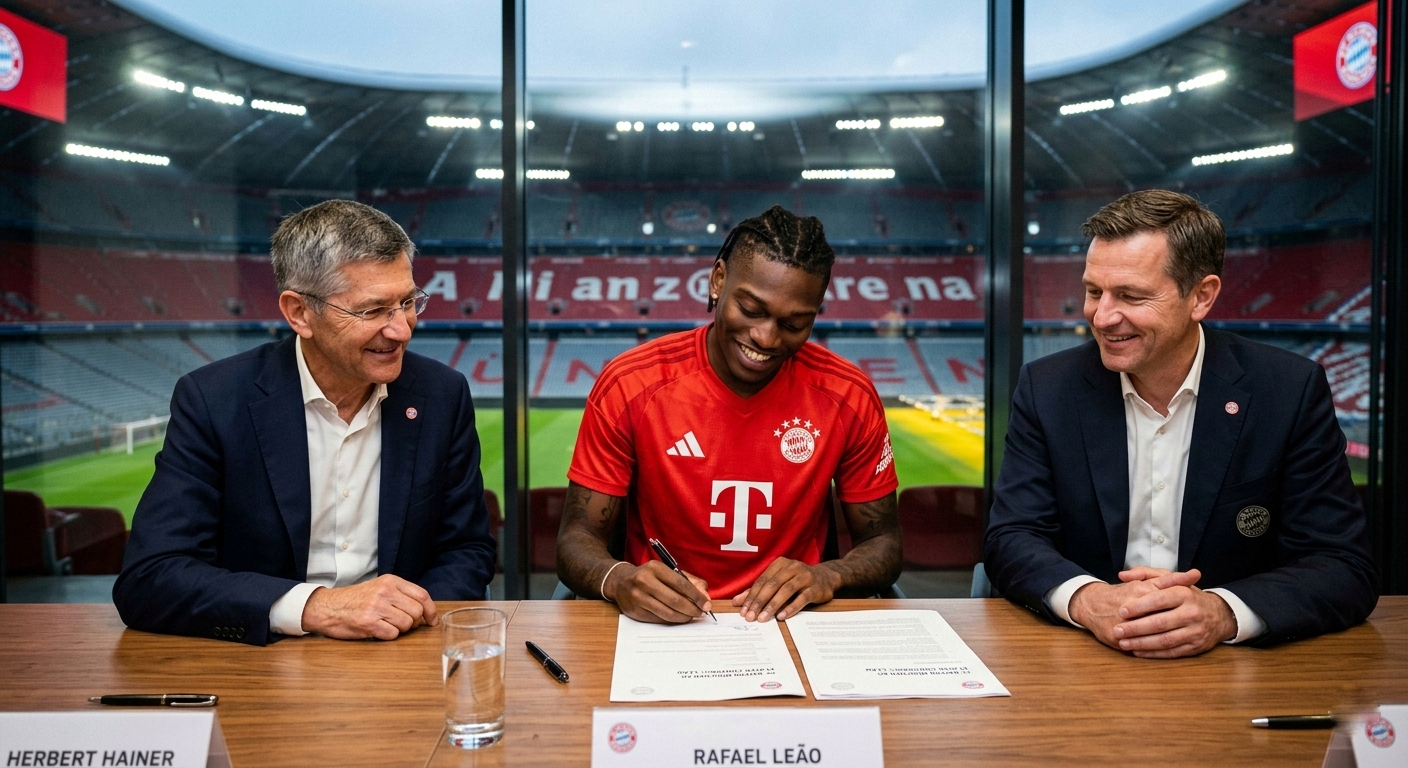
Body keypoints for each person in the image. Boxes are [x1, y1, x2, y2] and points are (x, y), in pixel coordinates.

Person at [984, 189, 1377, 658]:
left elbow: (1342, 564)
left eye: (1130, 295)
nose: (1102, 317)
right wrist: (1089, 600)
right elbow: (1011, 537)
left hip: (1235, 668)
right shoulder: (1047, 388)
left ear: (1201, 297)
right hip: (1085, 657)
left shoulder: (1289, 390)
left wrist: (1222, 612)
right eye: (1093, 291)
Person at [113, 200, 496, 645]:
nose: (402, 329)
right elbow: (151, 576)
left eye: (408, 302)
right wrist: (315, 608)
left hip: (399, 651)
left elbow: (467, 550)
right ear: (299, 313)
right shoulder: (214, 400)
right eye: (372, 310)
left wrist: (403, 621)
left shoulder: (442, 394)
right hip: (261, 661)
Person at [557, 205, 903, 624]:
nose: (766, 337)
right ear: (718, 280)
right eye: (752, 310)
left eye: (794, 324)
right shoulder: (630, 384)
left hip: (794, 625)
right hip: (659, 627)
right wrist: (619, 579)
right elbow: (576, 539)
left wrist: (829, 575)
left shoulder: (849, 395)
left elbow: (884, 543)